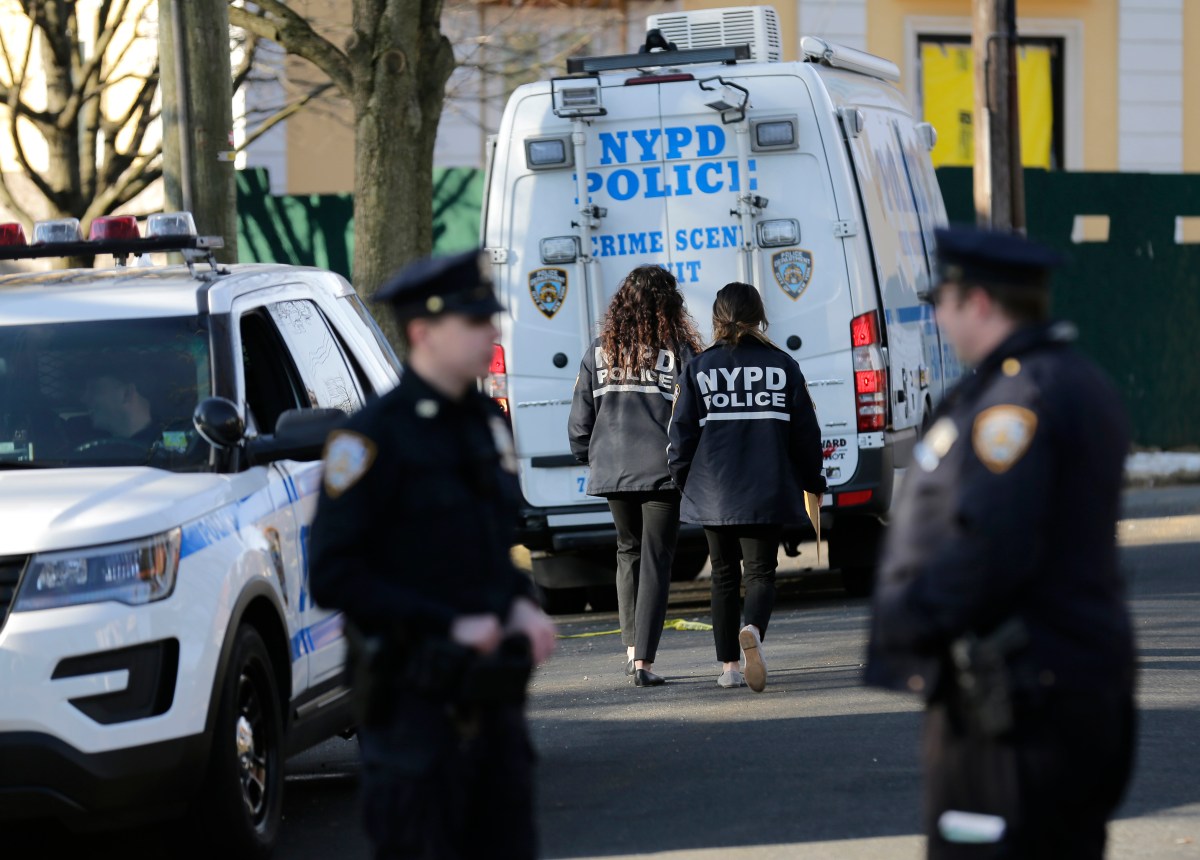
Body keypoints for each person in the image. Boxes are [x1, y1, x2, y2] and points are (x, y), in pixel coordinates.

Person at [865, 226, 1136, 859]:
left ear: (979, 302)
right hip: (1052, 686)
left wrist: (906, 618)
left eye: (944, 299)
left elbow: (990, 543)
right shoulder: (1060, 379)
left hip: (1019, 701)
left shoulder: (1016, 401)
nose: (936, 313)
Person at [307, 249, 557, 860]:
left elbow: (493, 547)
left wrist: (521, 604)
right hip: (414, 714)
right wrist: (446, 623)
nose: (491, 332)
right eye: (474, 322)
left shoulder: (481, 424)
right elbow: (333, 573)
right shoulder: (367, 439)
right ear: (422, 332)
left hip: (494, 709)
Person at [667, 282, 826, 692]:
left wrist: (687, 485)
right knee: (760, 573)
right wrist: (813, 483)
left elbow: (679, 439)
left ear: (717, 319)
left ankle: (729, 669)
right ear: (760, 317)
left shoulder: (698, 368)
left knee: (722, 576)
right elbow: (806, 436)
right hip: (766, 487)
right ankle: (752, 628)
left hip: (713, 490)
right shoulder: (783, 366)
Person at [568, 265, 702, 688]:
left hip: (613, 469)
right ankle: (643, 661)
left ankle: (630, 650)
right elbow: (693, 417)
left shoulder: (598, 352)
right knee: (657, 560)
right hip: (662, 470)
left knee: (628, 552)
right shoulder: (679, 352)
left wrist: (586, 455)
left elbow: (580, 421)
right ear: (670, 305)